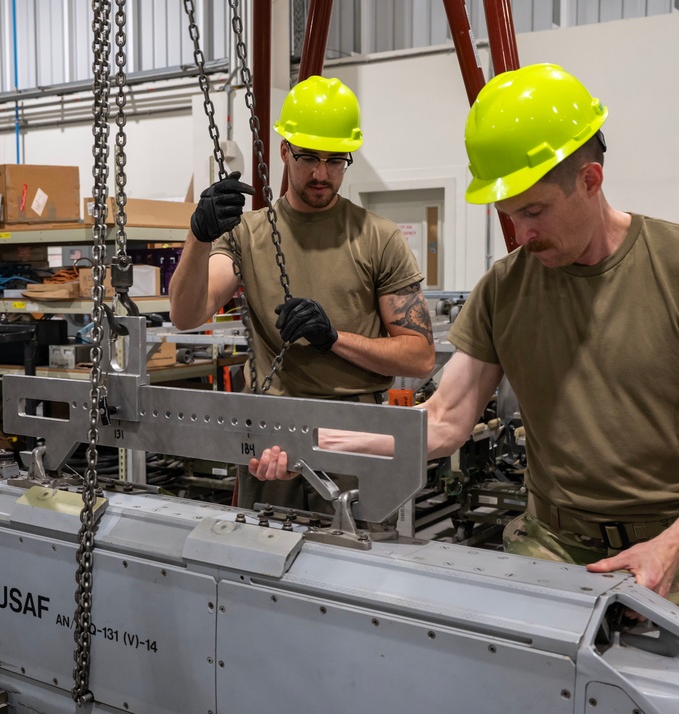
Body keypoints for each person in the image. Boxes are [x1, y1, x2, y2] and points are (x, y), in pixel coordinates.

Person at [250, 64, 679, 605]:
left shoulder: (670, 267)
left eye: (534, 211)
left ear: (590, 181)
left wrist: (669, 547)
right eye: (508, 215)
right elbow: (446, 420)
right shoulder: (504, 287)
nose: (521, 236)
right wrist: (308, 445)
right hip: (551, 543)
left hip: (669, 545)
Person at [169, 75, 434, 513]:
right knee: (262, 563)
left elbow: (419, 357)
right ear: (284, 151)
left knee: (355, 568)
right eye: (309, 157)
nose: (320, 174)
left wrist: (334, 339)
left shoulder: (378, 238)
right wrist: (198, 237)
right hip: (271, 439)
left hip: (355, 437)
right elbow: (186, 314)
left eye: (335, 161)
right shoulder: (248, 234)